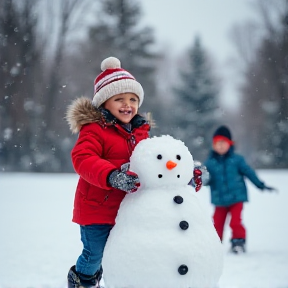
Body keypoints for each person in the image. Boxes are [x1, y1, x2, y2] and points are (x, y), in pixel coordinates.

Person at [65, 56, 151, 288]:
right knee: (95, 256)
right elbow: (82, 158)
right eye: (119, 99)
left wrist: (183, 175)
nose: (128, 104)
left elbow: (157, 163)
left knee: (122, 255)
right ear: (104, 103)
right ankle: (82, 281)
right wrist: (112, 175)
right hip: (97, 209)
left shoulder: (141, 132)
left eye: (133, 99)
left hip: (128, 209)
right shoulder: (95, 130)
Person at [204, 125, 275, 254]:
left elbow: (249, 173)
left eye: (223, 143)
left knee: (235, 222)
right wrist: (201, 179)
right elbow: (206, 179)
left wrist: (261, 185)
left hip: (237, 198)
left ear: (229, 144)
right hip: (219, 199)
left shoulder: (237, 160)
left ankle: (238, 242)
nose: (220, 146)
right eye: (217, 143)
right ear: (213, 145)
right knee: (217, 224)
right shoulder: (209, 163)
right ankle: (214, 246)